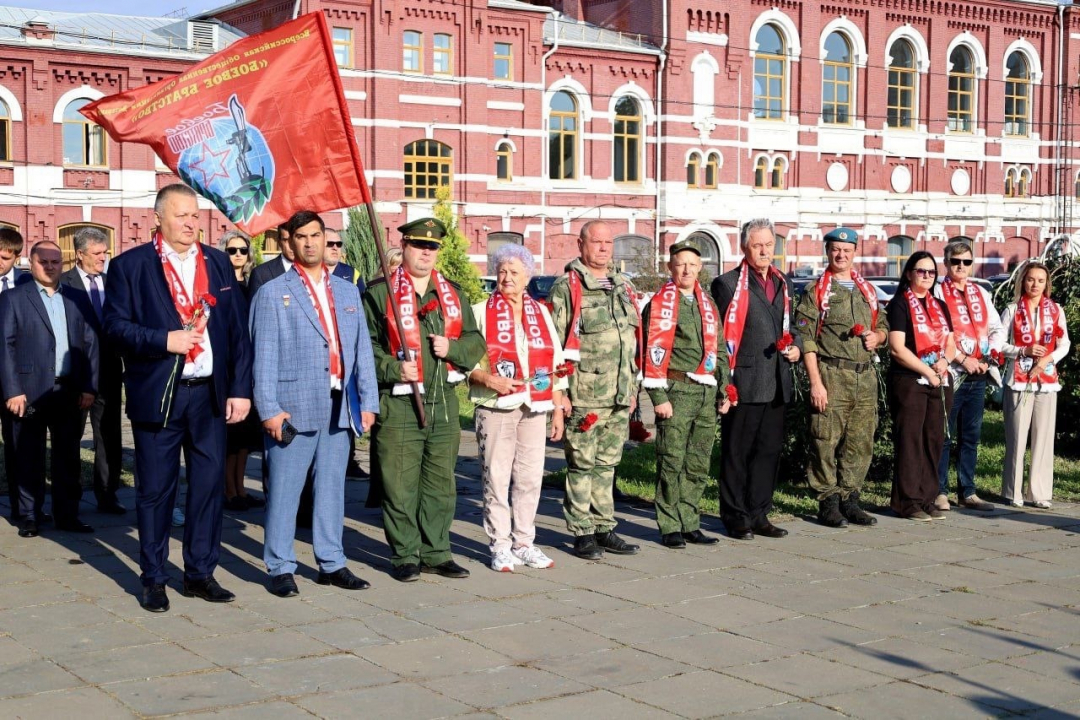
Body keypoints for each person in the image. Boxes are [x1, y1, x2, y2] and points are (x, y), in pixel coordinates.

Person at [103, 183, 252, 613]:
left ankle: (200, 573)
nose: (190, 223)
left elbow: (238, 335)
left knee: (207, 489)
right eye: (181, 215)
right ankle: (153, 577)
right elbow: (113, 327)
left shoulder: (219, 264)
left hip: (209, 397)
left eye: (195, 215)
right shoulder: (131, 266)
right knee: (155, 492)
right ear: (158, 218)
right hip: (161, 395)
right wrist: (161, 340)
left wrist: (240, 390)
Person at [251, 210, 379, 597]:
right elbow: (263, 357)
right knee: (286, 492)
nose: (310, 243)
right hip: (293, 405)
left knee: (331, 490)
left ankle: (331, 561)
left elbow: (362, 352)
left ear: (326, 239)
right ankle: (279, 565)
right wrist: (269, 409)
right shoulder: (273, 292)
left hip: (340, 405)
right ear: (289, 242)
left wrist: (368, 401)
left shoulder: (346, 289)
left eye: (316, 235)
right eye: (301, 237)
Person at [363, 218, 486, 582]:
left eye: (431, 248)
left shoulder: (453, 294)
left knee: (440, 484)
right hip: (400, 402)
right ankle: (404, 554)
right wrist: (390, 368)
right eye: (418, 246)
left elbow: (476, 339)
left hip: (444, 401)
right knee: (399, 484)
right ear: (404, 247)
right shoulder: (380, 293)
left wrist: (455, 348)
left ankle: (436, 552)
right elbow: (362, 347)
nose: (425, 253)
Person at [469, 244, 565, 572]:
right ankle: (499, 544)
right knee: (496, 476)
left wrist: (558, 406)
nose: (507, 278)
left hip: (535, 405)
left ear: (527, 278)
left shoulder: (541, 313)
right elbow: (461, 360)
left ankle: (524, 541)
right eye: (502, 272)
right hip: (496, 404)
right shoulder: (480, 311)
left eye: (514, 272)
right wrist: (487, 379)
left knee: (529, 477)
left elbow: (555, 361)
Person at [549, 220, 641, 560]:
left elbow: (632, 341)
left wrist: (632, 389)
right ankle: (582, 531)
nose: (603, 248)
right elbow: (556, 347)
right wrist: (561, 397)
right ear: (581, 244)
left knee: (607, 465)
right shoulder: (567, 287)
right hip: (585, 394)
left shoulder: (622, 285)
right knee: (581, 465)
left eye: (608, 242)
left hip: (618, 394)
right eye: (596, 242)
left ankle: (604, 527)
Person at [711, 219, 802, 540]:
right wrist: (723, 385)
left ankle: (759, 513)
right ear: (744, 248)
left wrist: (797, 349)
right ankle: (735, 516)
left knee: (768, 452)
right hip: (744, 382)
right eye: (757, 246)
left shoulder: (784, 283)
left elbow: (795, 328)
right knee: (737, 452)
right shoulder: (727, 284)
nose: (765, 251)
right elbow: (719, 339)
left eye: (769, 245)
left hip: (778, 381)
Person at [0, 241, 98, 537]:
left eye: (56, 261)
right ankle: (30, 515)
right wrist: (12, 390)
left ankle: (67, 514)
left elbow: (90, 342)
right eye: (44, 261)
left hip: (68, 391)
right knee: (28, 454)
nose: (51, 266)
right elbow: (5, 345)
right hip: (29, 392)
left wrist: (89, 386)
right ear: (31, 262)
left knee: (68, 456)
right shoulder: (14, 298)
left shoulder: (77, 298)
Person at [794, 227, 887, 528]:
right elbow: (806, 338)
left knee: (860, 441)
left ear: (855, 253)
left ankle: (851, 500)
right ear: (827, 252)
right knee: (825, 439)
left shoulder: (867, 291)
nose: (841, 255)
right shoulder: (817, 291)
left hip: (865, 377)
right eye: (835, 249)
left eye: (847, 251)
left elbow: (883, 324)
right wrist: (816, 382)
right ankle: (828, 502)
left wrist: (879, 336)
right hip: (832, 374)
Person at [643, 239, 730, 548]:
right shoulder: (660, 303)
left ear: (700, 268)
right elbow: (648, 350)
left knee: (697, 462)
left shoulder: (707, 303)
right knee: (671, 460)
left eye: (693, 264)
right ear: (670, 267)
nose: (687, 270)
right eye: (681, 264)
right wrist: (658, 398)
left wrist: (726, 389)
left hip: (706, 394)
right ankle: (669, 525)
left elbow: (719, 349)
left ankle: (690, 522)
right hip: (676, 392)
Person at [58, 227, 125, 516]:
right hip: (76, 374)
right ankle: (69, 501)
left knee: (109, 437)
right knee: (70, 439)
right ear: (79, 253)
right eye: (97, 253)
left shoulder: (113, 284)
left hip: (110, 374)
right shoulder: (63, 284)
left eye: (105, 252)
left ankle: (107, 495)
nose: (103, 257)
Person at [887, 251, 957, 522]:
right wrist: (927, 370)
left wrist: (944, 360)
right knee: (910, 441)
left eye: (931, 272)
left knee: (934, 439)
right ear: (909, 273)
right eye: (921, 271)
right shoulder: (900, 305)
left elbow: (950, 342)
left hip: (938, 380)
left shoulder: (939, 305)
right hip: (910, 381)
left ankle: (928, 498)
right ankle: (907, 501)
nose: (926, 276)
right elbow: (896, 347)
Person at [933, 241, 1002, 512]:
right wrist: (963, 359)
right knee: (944, 434)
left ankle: (968, 492)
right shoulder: (939, 291)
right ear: (946, 263)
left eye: (966, 262)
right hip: (952, 373)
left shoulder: (980, 292)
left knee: (971, 436)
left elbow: (996, 328)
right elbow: (936, 331)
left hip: (978, 374)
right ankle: (940, 491)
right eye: (955, 262)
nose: (961, 267)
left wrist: (987, 358)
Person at [1000, 261, 1070, 509]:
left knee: (1043, 438)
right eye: (1031, 279)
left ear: (1047, 284)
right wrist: (1023, 350)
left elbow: (1065, 344)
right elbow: (998, 344)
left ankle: (1038, 492)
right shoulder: (1011, 310)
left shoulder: (1056, 310)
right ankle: (1013, 491)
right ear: (1023, 281)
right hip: (1018, 381)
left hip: (1047, 381)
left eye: (1041, 280)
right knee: (1017, 437)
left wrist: (1046, 360)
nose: (1035, 284)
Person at [218, 231, 263, 512]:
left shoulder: (251, 285)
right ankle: (227, 489)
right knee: (229, 434)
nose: (237, 255)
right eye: (232, 250)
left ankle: (241, 488)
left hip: (250, 364)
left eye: (242, 250)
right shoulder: (219, 285)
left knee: (246, 435)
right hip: (227, 365)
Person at [0, 227, 28, 521]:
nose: (0, 262)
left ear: (17, 257)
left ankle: (22, 508)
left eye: (6, 257)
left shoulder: (26, 283)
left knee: (18, 445)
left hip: (15, 379)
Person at [247, 224, 292, 299]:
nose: (292, 245)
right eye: (286, 240)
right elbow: (254, 309)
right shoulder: (260, 274)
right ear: (279, 242)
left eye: (295, 239)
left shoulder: (313, 270)